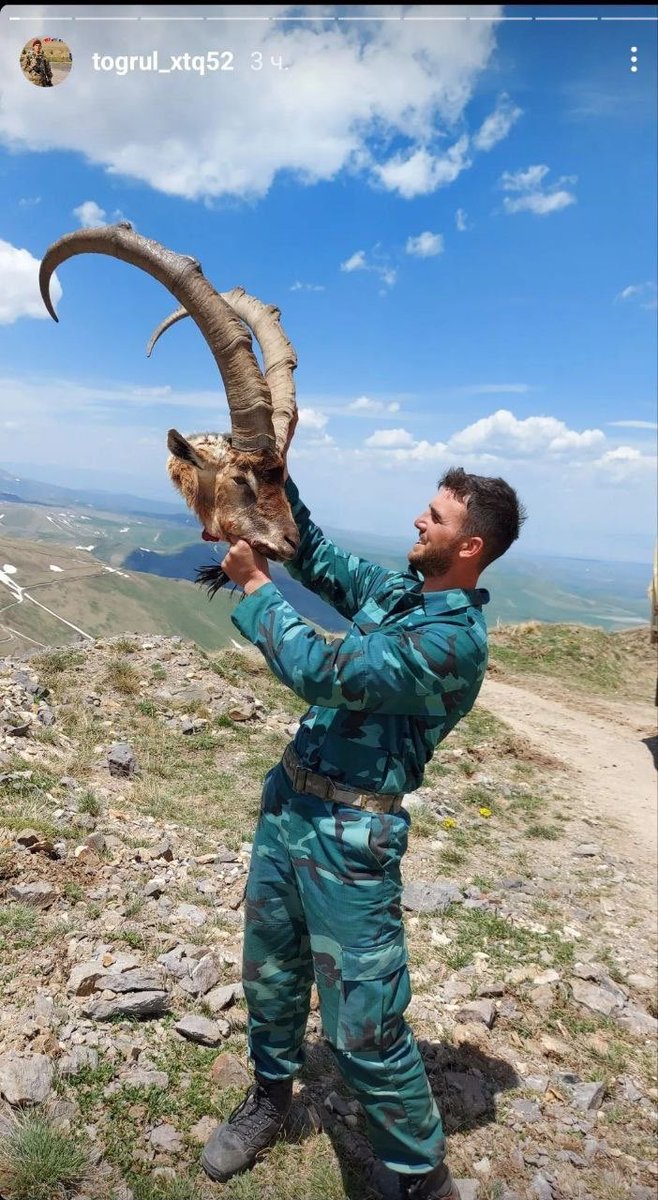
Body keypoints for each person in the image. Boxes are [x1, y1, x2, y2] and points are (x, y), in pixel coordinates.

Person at [201, 449, 526, 1200]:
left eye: (436, 517)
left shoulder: (452, 642)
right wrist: (276, 480)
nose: (420, 518)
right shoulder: (400, 592)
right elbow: (314, 553)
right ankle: (271, 1100)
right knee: (271, 970)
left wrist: (252, 584)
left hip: (350, 841)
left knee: (365, 1026)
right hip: (290, 807)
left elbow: (322, 671)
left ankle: (420, 1178)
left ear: (470, 546)